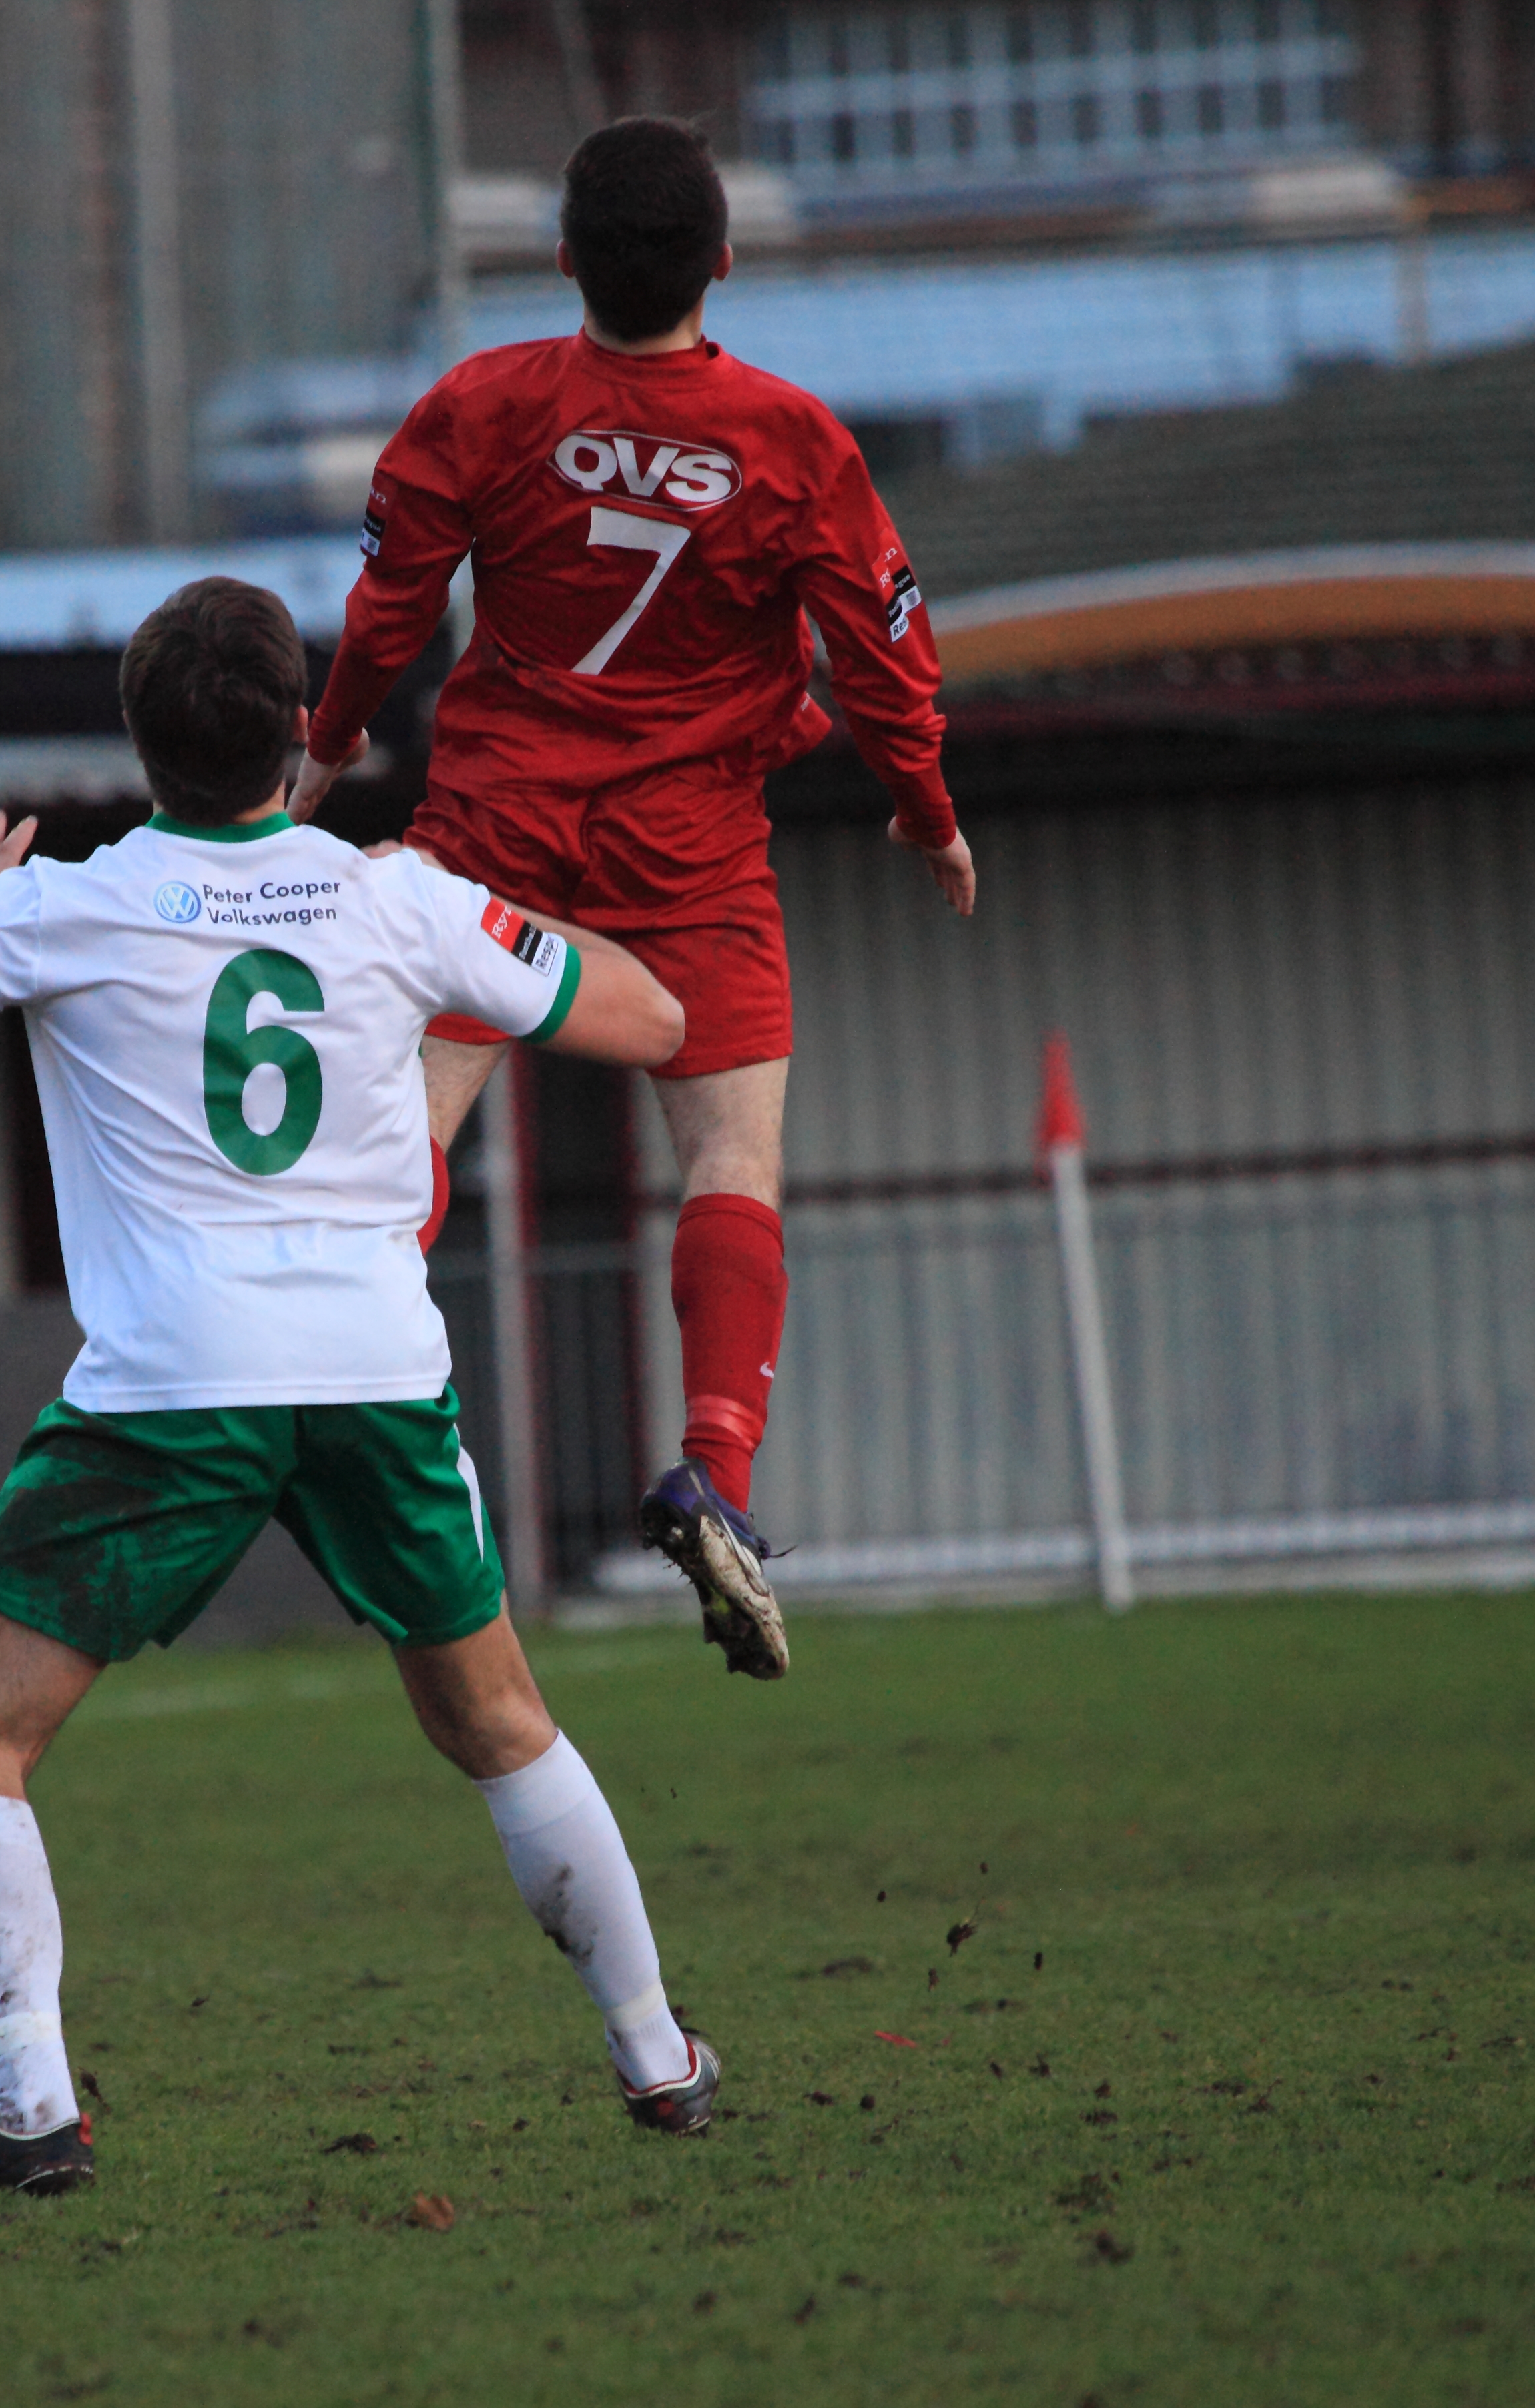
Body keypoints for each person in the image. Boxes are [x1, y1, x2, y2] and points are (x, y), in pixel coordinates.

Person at [0, 578, 706, 2198]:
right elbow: (655, 1015)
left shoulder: (54, 908)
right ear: (301, 731)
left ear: (137, 743)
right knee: (495, 1719)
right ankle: (656, 2052)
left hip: (173, 1383)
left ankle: (32, 2114)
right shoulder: (397, 901)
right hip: (375, 1371)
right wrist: (480, 910)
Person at [289, 117, 974, 1681]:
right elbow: (883, 661)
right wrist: (925, 813)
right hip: (691, 844)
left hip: (497, 824)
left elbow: (392, 602)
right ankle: (715, 1467)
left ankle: (336, 1399)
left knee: (414, 1125)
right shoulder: (793, 441)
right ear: (720, 262)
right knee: (730, 1152)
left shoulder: (482, 403)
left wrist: (331, 741)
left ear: (563, 260)